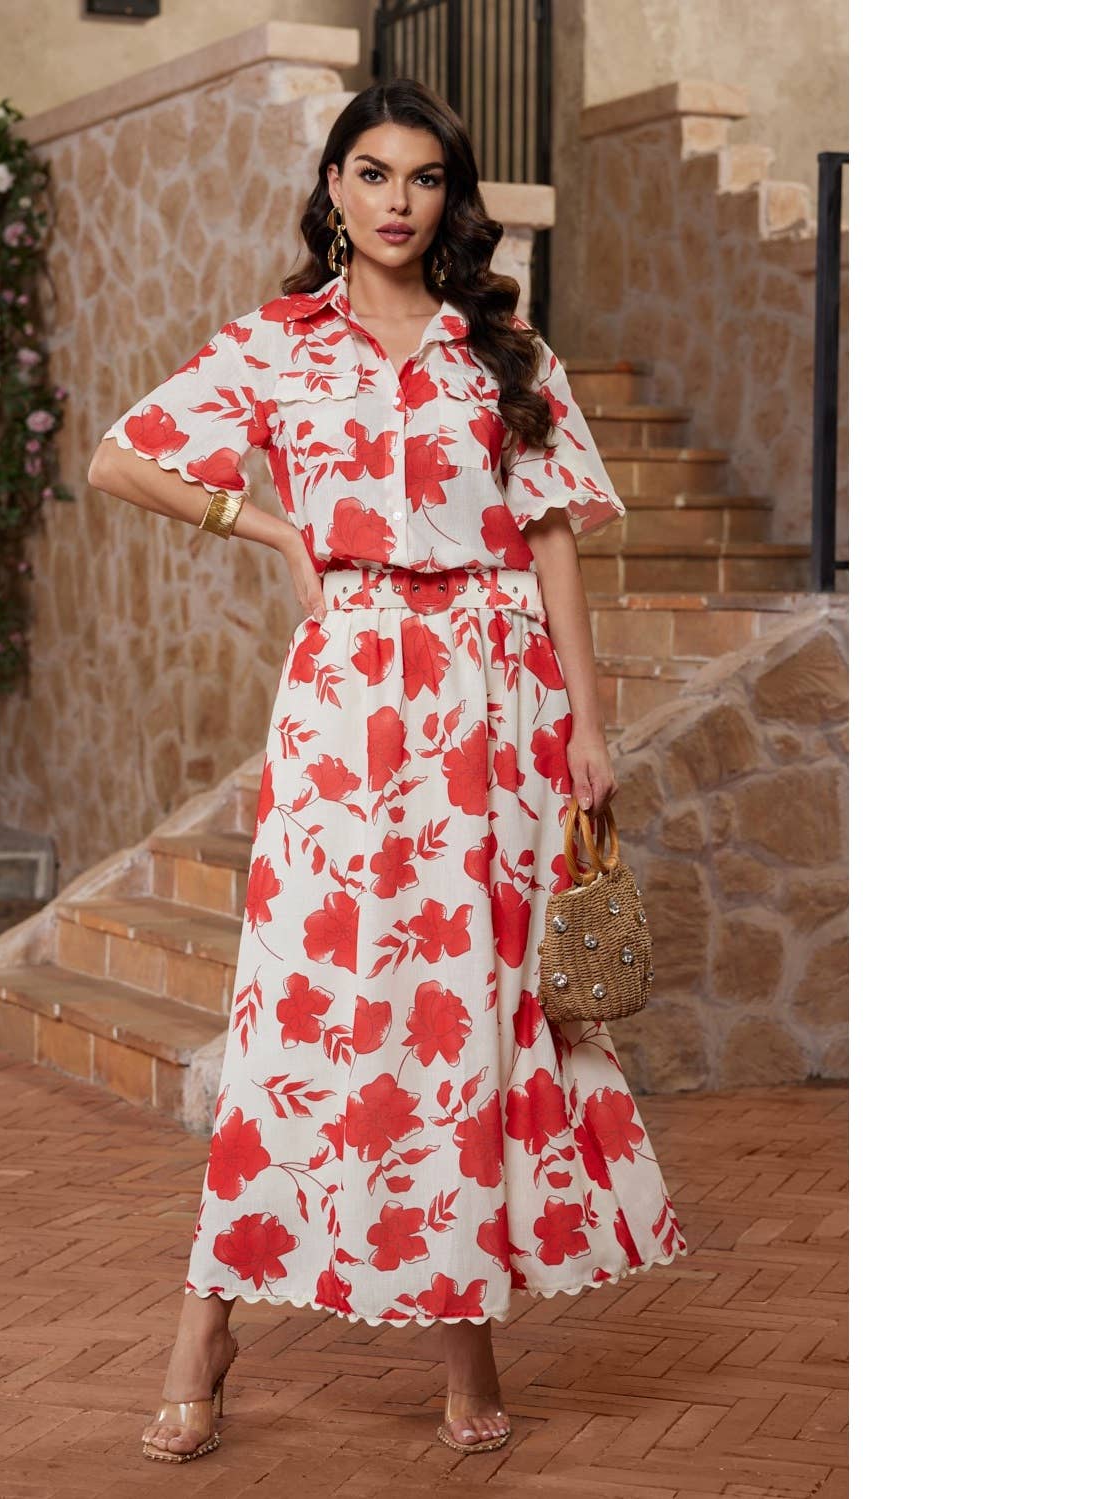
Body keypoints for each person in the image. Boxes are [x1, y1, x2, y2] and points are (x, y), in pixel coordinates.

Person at [88, 78, 688, 1465]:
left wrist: (589, 728)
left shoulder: (505, 350)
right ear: (334, 188)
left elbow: (551, 538)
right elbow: (122, 459)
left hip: (500, 701)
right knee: (303, 1013)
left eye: (423, 177)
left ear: (449, 196)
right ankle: (204, 1327)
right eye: (372, 173)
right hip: (351, 704)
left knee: (473, 1010)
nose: (398, 200)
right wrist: (268, 527)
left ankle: (464, 1337)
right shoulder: (278, 342)